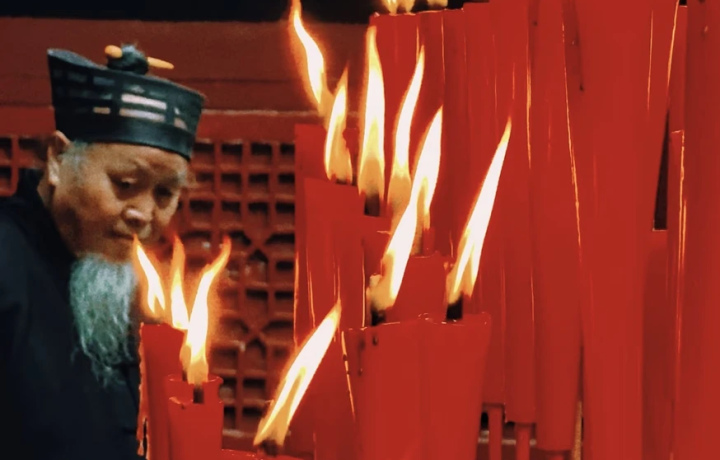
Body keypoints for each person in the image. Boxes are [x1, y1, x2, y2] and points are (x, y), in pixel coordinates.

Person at [0, 44, 204, 459]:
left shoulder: (130, 281)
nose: (143, 214)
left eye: (165, 194)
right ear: (58, 159)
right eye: (125, 184)